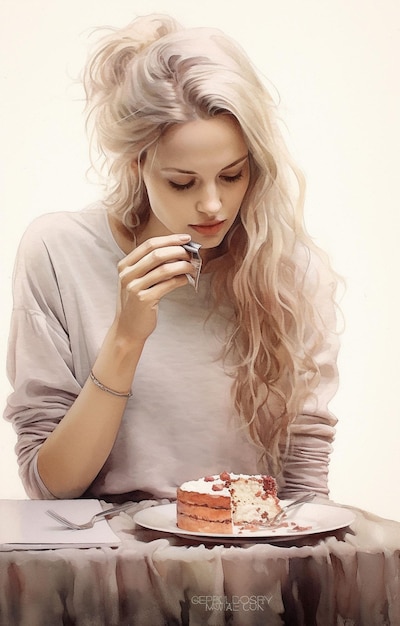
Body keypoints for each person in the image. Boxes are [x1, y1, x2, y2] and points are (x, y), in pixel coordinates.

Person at [4, 13, 339, 503]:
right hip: (106, 566)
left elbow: (307, 492)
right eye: (181, 181)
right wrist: (125, 338)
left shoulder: (288, 272)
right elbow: (50, 486)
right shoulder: (59, 252)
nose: (213, 205)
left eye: (232, 176)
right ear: (137, 164)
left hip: (248, 565)